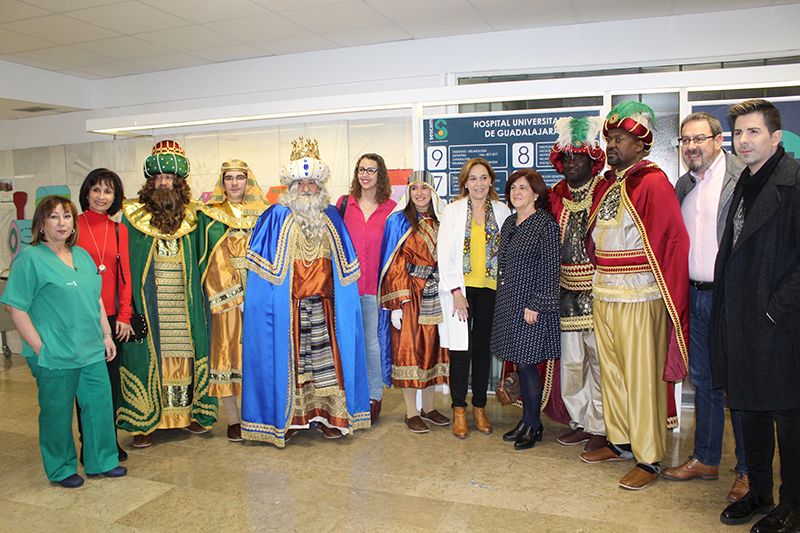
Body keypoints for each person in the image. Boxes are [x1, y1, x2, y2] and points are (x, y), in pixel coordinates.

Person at [580, 101, 690, 491]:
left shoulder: (653, 182)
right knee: (611, 372)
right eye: (609, 138)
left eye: (620, 139)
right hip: (605, 291)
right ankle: (621, 439)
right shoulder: (609, 183)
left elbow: (672, 241)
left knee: (642, 376)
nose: (612, 145)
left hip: (641, 295)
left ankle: (648, 457)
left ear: (641, 144)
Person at [241, 137, 370, 448]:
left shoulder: (332, 216)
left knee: (325, 367)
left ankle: (328, 416)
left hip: (325, 309)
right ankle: (289, 419)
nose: (307, 187)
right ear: (291, 185)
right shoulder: (274, 216)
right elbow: (261, 275)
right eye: (301, 181)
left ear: (321, 185)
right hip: (290, 309)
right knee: (292, 367)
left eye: (312, 182)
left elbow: (346, 271)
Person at [712, 99, 800, 533]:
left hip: (782, 325)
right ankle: (760, 491)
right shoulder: (742, 183)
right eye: (739, 133)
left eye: (753, 132)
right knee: (749, 410)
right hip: (741, 320)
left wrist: (775, 308)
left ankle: (793, 503)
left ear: (776, 137)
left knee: (789, 415)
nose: (743, 141)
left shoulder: (795, 181)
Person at [1, 196, 126, 487]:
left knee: (98, 407)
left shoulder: (81, 255)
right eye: (54, 217)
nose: (62, 223)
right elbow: (15, 306)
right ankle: (61, 468)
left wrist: (106, 335)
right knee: (57, 413)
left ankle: (102, 461)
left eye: (67, 217)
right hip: (54, 352)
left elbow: (95, 297)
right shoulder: (30, 259)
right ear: (41, 224)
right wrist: (39, 347)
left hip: (90, 347)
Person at [661, 112, 749, 503]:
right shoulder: (683, 185)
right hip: (692, 296)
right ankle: (706, 459)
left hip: (729, 297)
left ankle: (748, 470)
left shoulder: (741, 178)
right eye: (685, 140)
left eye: (699, 139)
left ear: (718, 140)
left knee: (738, 384)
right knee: (705, 380)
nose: (691, 146)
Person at [119, 140, 216, 448]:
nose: (164, 183)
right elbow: (127, 261)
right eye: (158, 178)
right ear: (150, 181)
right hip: (148, 302)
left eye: (170, 178)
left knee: (184, 354)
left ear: (179, 182)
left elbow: (206, 257)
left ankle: (187, 415)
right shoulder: (132, 216)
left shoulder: (193, 217)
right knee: (150, 356)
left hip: (184, 302)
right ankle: (145, 421)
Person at [548, 116, 611, 454]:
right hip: (565, 294)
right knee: (572, 365)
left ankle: (601, 427)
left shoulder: (606, 190)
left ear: (592, 160)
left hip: (599, 294)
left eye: (579, 157)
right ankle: (580, 422)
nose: (573, 162)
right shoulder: (555, 195)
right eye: (568, 157)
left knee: (600, 364)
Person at [438, 157, 511, 439]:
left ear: (491, 180)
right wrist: (456, 291)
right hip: (462, 291)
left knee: (482, 350)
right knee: (460, 352)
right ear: (465, 183)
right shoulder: (453, 211)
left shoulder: (503, 211)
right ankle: (459, 409)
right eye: (472, 179)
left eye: (483, 178)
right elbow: (444, 255)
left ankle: (479, 407)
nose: (478, 183)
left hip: (492, 290)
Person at [198, 159, 268, 442]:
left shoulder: (264, 213)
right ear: (222, 182)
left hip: (259, 293)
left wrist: (258, 291)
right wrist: (234, 292)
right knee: (226, 354)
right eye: (230, 178)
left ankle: (258, 413)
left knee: (258, 353)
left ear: (248, 181)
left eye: (240, 177)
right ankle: (232, 419)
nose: (235, 183)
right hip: (225, 299)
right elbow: (210, 257)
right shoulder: (211, 214)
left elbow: (270, 253)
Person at [491, 169, 560, 450]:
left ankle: (534, 424)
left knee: (529, 367)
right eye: (513, 188)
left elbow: (551, 268)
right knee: (521, 364)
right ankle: (526, 420)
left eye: (523, 188)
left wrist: (537, 304)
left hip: (531, 307)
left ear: (536, 193)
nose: (517, 192)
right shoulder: (509, 223)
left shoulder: (545, 224)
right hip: (510, 303)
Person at [378, 171, 449, 434]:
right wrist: (396, 302)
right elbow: (392, 263)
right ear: (408, 192)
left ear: (432, 191)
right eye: (415, 188)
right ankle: (411, 412)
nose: (419, 193)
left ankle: (429, 407)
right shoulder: (397, 221)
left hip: (436, 293)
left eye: (425, 188)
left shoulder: (443, 220)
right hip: (409, 294)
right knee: (409, 350)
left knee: (432, 348)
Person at [75, 168, 134, 462]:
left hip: (112, 319)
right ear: (87, 192)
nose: (101, 196)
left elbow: (125, 276)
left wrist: (124, 314)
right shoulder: (71, 226)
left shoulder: (118, 230)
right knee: (85, 384)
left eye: (108, 191)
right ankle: (88, 442)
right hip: (80, 317)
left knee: (110, 383)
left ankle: (108, 439)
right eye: (96, 189)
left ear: (116, 197)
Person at [336, 153, 397, 424]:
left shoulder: (392, 208)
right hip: (346, 288)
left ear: (380, 174)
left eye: (371, 170)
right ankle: (349, 396)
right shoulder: (343, 204)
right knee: (347, 343)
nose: (365, 175)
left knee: (372, 345)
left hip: (375, 288)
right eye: (361, 170)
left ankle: (373, 396)